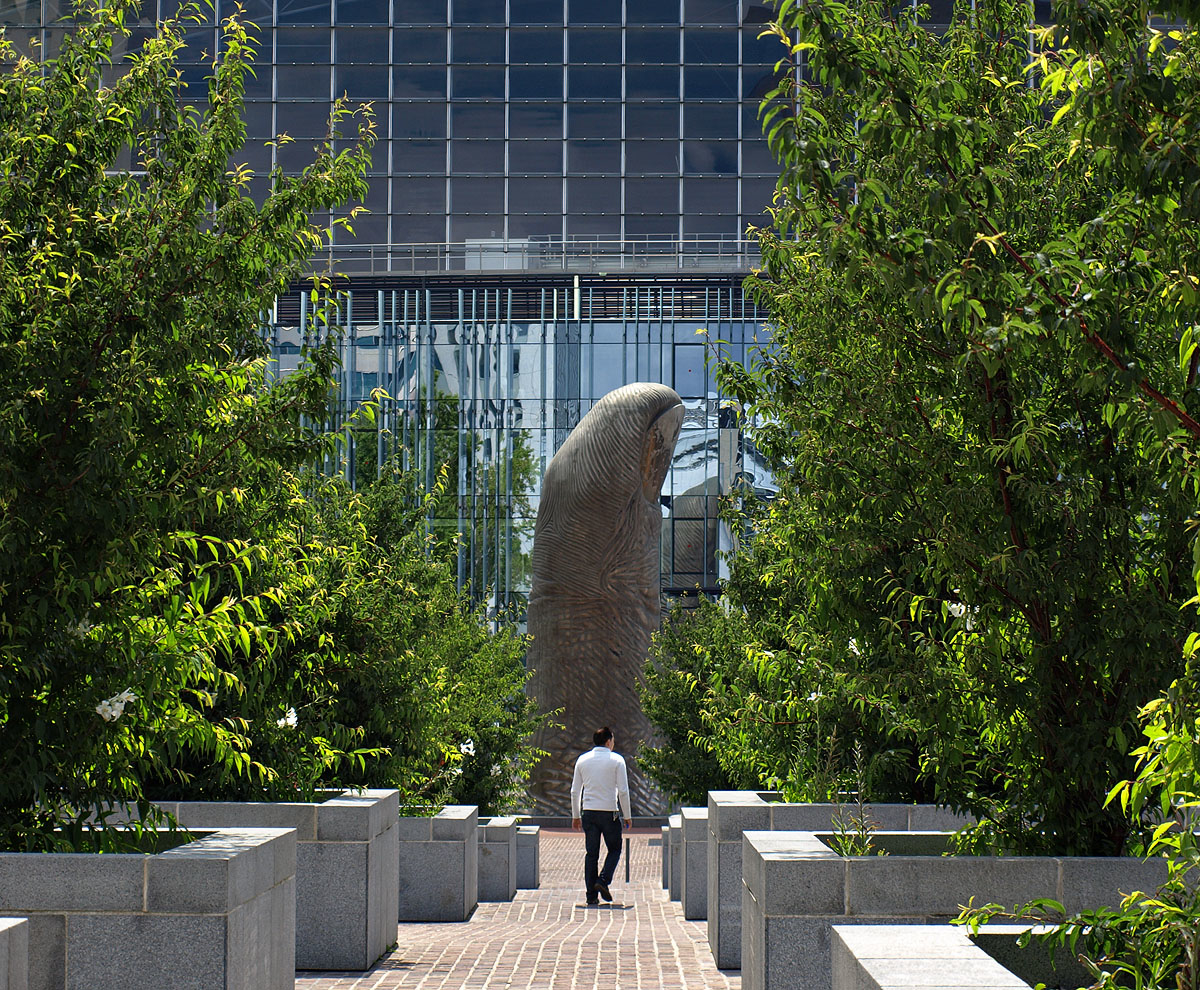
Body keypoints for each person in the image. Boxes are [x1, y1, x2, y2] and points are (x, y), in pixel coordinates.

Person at [571, 725, 633, 905]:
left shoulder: (582, 760)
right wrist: (627, 815)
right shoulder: (617, 760)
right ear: (608, 741)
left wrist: (576, 815)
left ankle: (591, 896)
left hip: (588, 812)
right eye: (612, 740)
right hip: (609, 812)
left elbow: (575, 791)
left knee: (591, 854)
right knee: (615, 848)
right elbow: (623, 790)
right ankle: (603, 880)